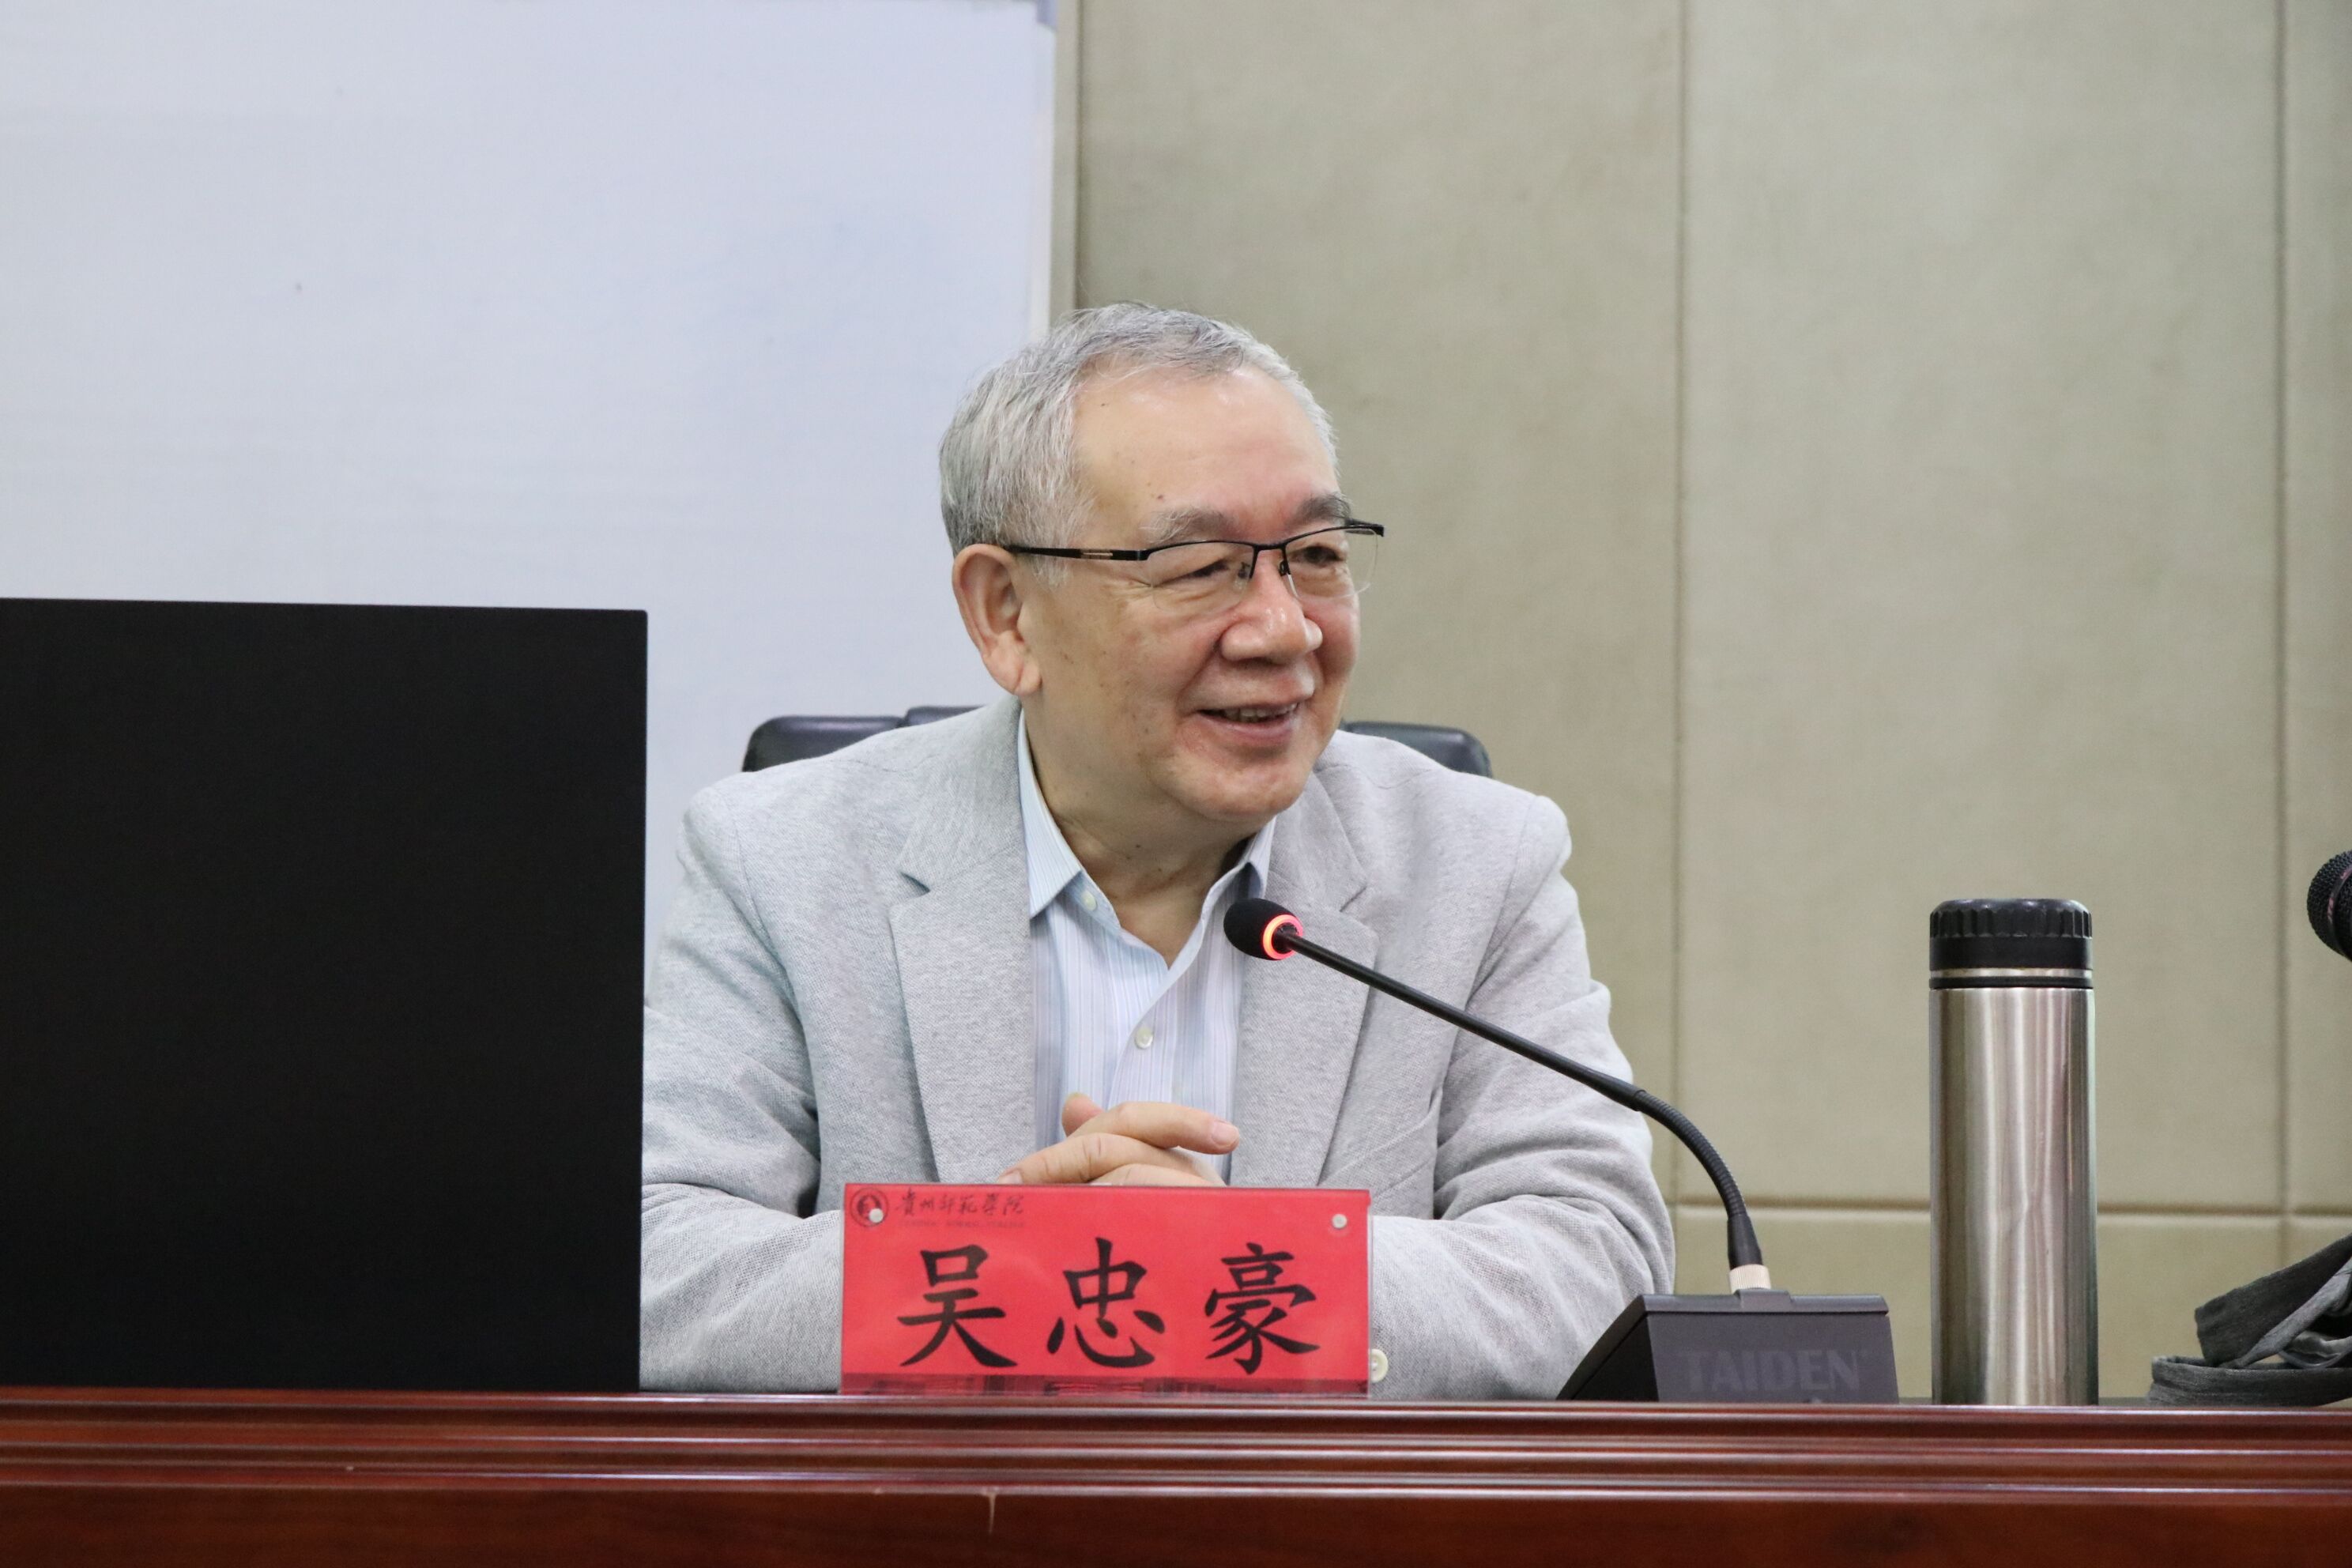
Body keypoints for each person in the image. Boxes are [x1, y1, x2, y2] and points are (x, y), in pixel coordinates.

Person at [640, 303, 1672, 1398]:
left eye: (1316, 557)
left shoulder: (1477, 863)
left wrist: (1231, 1268)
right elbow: (646, 1263)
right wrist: (1040, 1271)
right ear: (1007, 614)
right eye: (1201, 567)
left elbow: (1596, 1264)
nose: (1284, 629)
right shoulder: (780, 860)